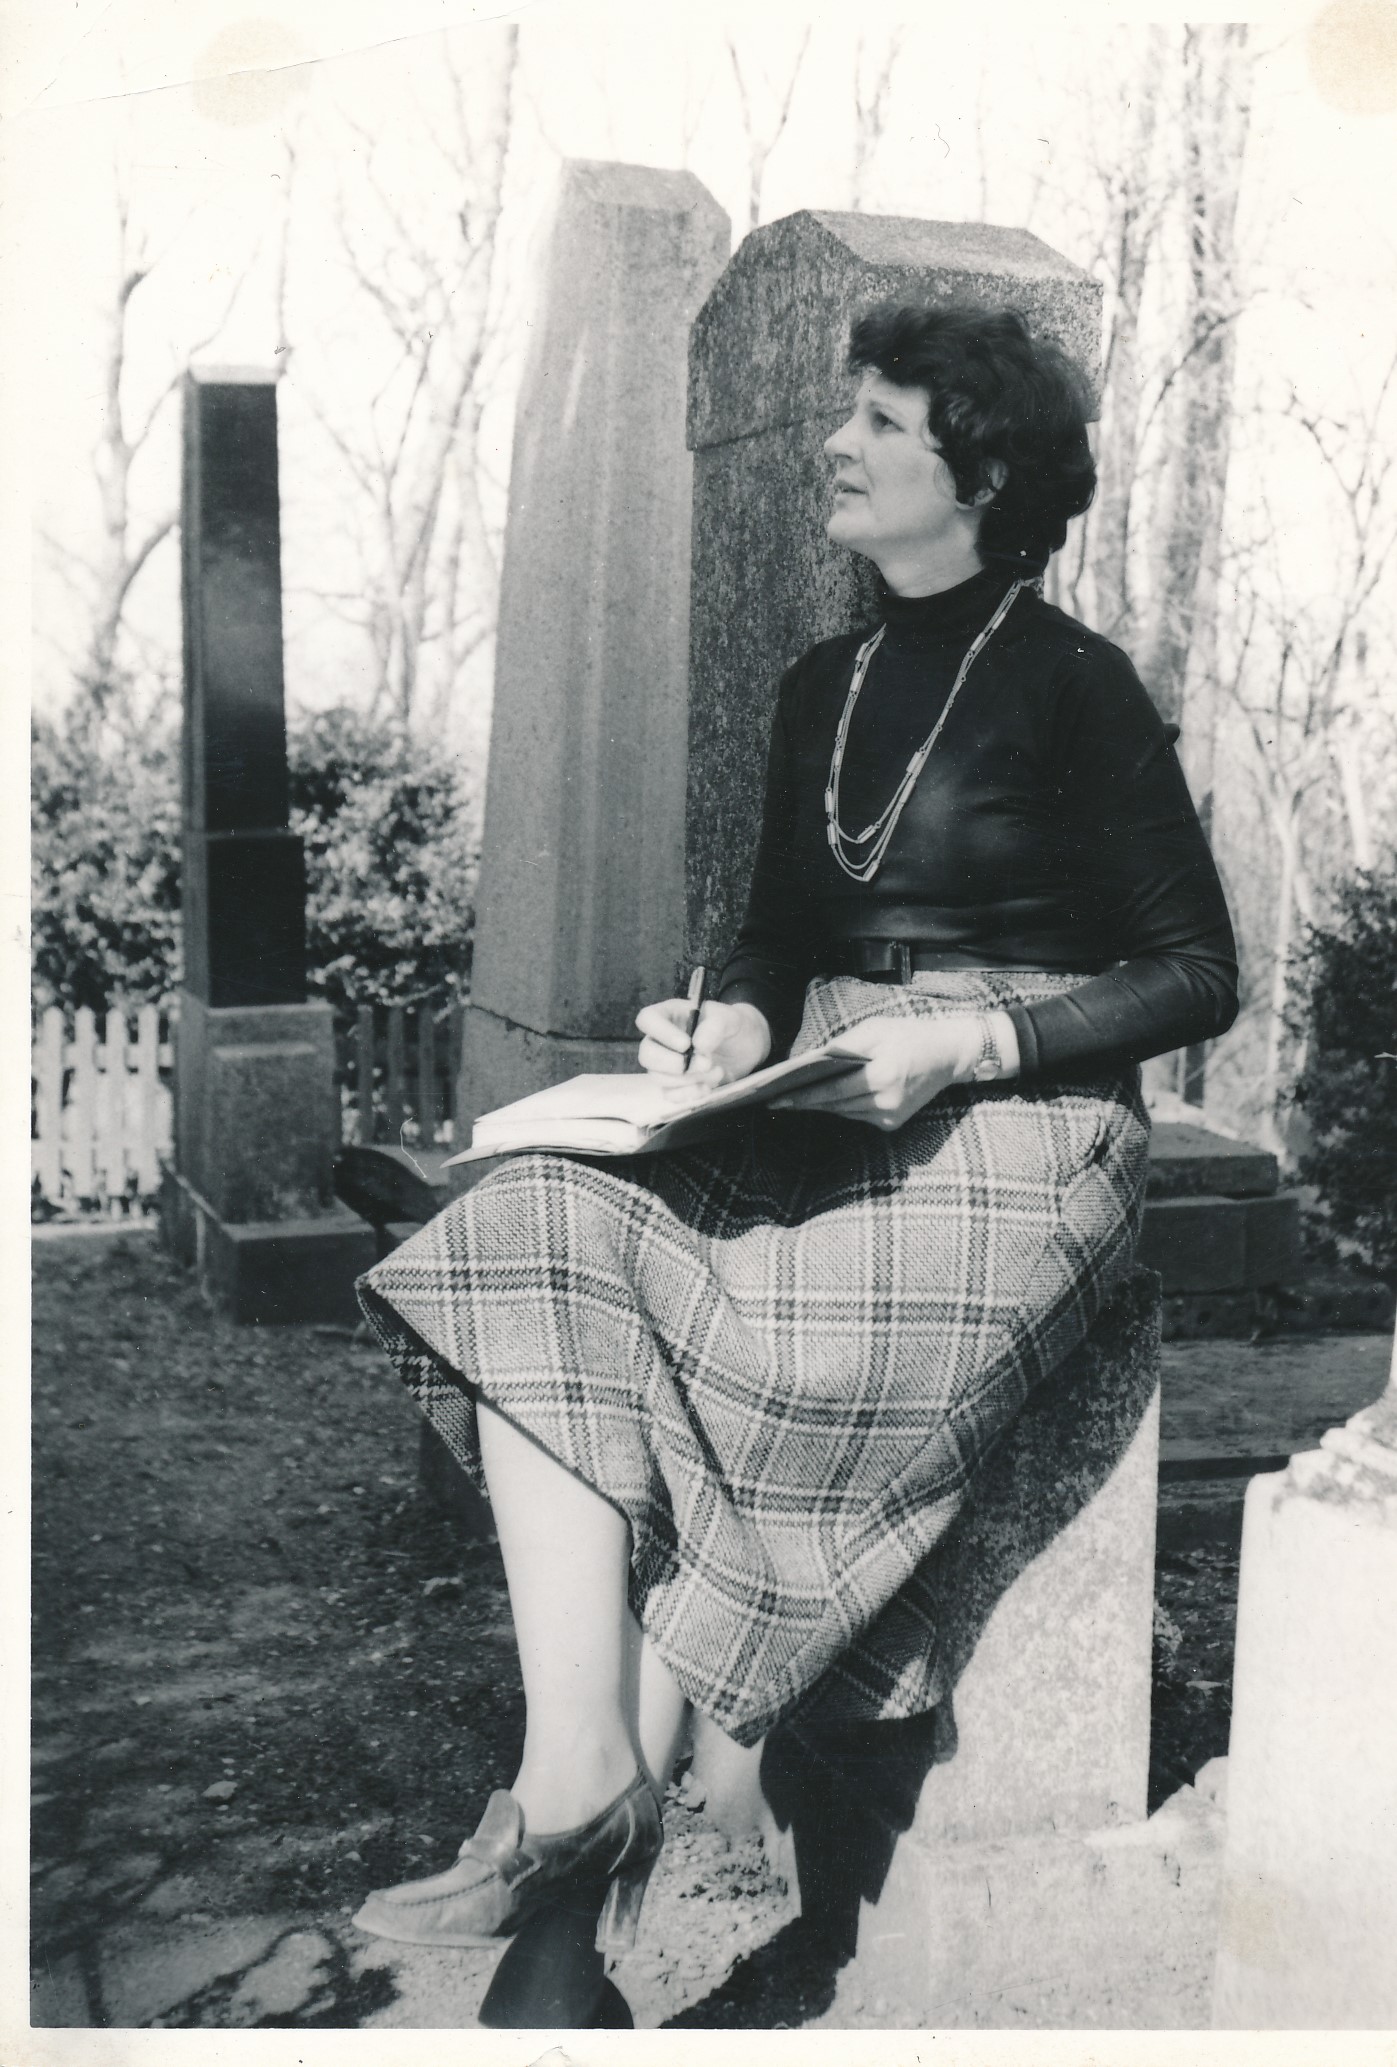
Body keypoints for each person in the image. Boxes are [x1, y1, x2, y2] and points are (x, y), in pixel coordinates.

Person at [350, 302, 1238, 1998]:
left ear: (980, 476)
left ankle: (620, 1836)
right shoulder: (819, 686)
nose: (839, 443)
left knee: (750, 1364)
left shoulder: (1075, 684)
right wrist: (737, 1030)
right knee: (527, 1224)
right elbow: (768, 935)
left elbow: (1194, 971)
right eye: (850, 415)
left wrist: (965, 1041)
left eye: (883, 422)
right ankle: (580, 1771)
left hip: (1017, 1135)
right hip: (823, 1095)